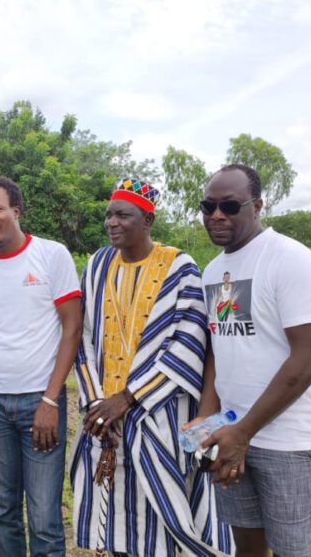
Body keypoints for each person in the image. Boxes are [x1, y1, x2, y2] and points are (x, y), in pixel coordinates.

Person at [70, 179, 232, 557]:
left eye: (122, 215)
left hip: (158, 412)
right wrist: (97, 404)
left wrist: (128, 398)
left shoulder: (179, 267)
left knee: (160, 509)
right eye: (109, 215)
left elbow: (188, 341)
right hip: (104, 414)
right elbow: (83, 337)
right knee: (114, 513)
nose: (111, 222)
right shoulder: (96, 266)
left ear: (147, 220)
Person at [192, 164, 311, 557]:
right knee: (247, 546)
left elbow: (310, 357)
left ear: (257, 206)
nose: (216, 215)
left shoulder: (290, 259)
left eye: (230, 206)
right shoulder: (213, 271)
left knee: (293, 550)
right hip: (231, 434)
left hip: (291, 441)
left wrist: (244, 433)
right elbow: (219, 345)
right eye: (208, 206)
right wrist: (208, 419)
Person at [0, 175, 82, 557]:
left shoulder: (51, 255)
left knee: (43, 516)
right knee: (1, 511)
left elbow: (72, 328)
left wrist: (50, 400)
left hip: (40, 401)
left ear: (17, 211)